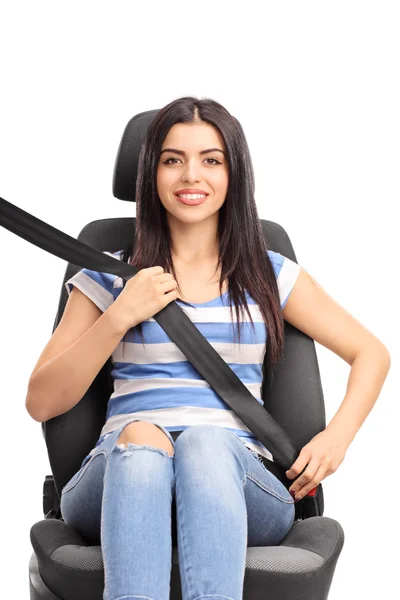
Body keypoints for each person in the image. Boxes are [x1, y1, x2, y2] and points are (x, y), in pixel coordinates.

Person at [26, 96, 317, 599]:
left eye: (211, 159)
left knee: (204, 443)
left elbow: (371, 353)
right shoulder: (107, 271)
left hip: (240, 478)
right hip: (120, 474)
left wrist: (333, 444)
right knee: (142, 435)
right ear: (150, 173)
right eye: (171, 159)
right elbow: (41, 402)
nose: (191, 176)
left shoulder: (268, 272)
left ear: (234, 173)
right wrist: (121, 314)